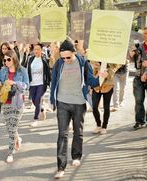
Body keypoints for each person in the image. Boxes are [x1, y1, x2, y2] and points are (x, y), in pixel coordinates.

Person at [50, 40, 107, 179]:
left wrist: (101, 77)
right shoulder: (59, 64)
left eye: (68, 57)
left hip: (78, 103)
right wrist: (52, 100)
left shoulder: (83, 63)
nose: (65, 60)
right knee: (62, 134)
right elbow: (53, 83)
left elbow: (91, 82)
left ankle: (76, 156)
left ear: (74, 53)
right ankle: (61, 167)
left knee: (77, 131)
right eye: (63, 57)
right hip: (62, 102)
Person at [0, 50, 29, 163]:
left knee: (12, 126)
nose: (6, 61)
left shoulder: (22, 70)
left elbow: (26, 85)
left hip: (17, 102)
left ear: (14, 58)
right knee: (10, 128)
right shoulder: (3, 71)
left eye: (9, 59)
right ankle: (17, 139)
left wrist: (15, 83)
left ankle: (10, 152)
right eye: (4, 60)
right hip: (6, 102)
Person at [25, 43, 51, 127]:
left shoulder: (45, 60)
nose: (36, 51)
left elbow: (48, 72)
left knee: (37, 99)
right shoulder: (30, 59)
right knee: (34, 101)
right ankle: (42, 109)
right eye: (35, 49)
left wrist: (50, 83)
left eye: (38, 49)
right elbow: (26, 70)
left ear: (41, 50)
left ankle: (35, 119)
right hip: (32, 83)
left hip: (41, 83)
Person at [91, 61, 119, 135]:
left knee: (106, 107)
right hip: (96, 86)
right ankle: (98, 125)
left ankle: (104, 127)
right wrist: (97, 68)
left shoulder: (113, 59)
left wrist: (108, 73)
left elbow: (115, 67)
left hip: (108, 86)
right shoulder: (96, 57)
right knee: (94, 106)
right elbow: (92, 71)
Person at [129, 28, 147, 130]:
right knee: (139, 100)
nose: (145, 35)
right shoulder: (138, 45)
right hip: (138, 76)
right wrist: (131, 55)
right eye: (144, 33)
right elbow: (132, 60)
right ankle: (139, 121)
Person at [0, 42, 11, 126]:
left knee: (9, 101)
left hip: (10, 82)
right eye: (3, 49)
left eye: (6, 48)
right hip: (0, 83)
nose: (4, 50)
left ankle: (9, 117)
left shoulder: (12, 58)